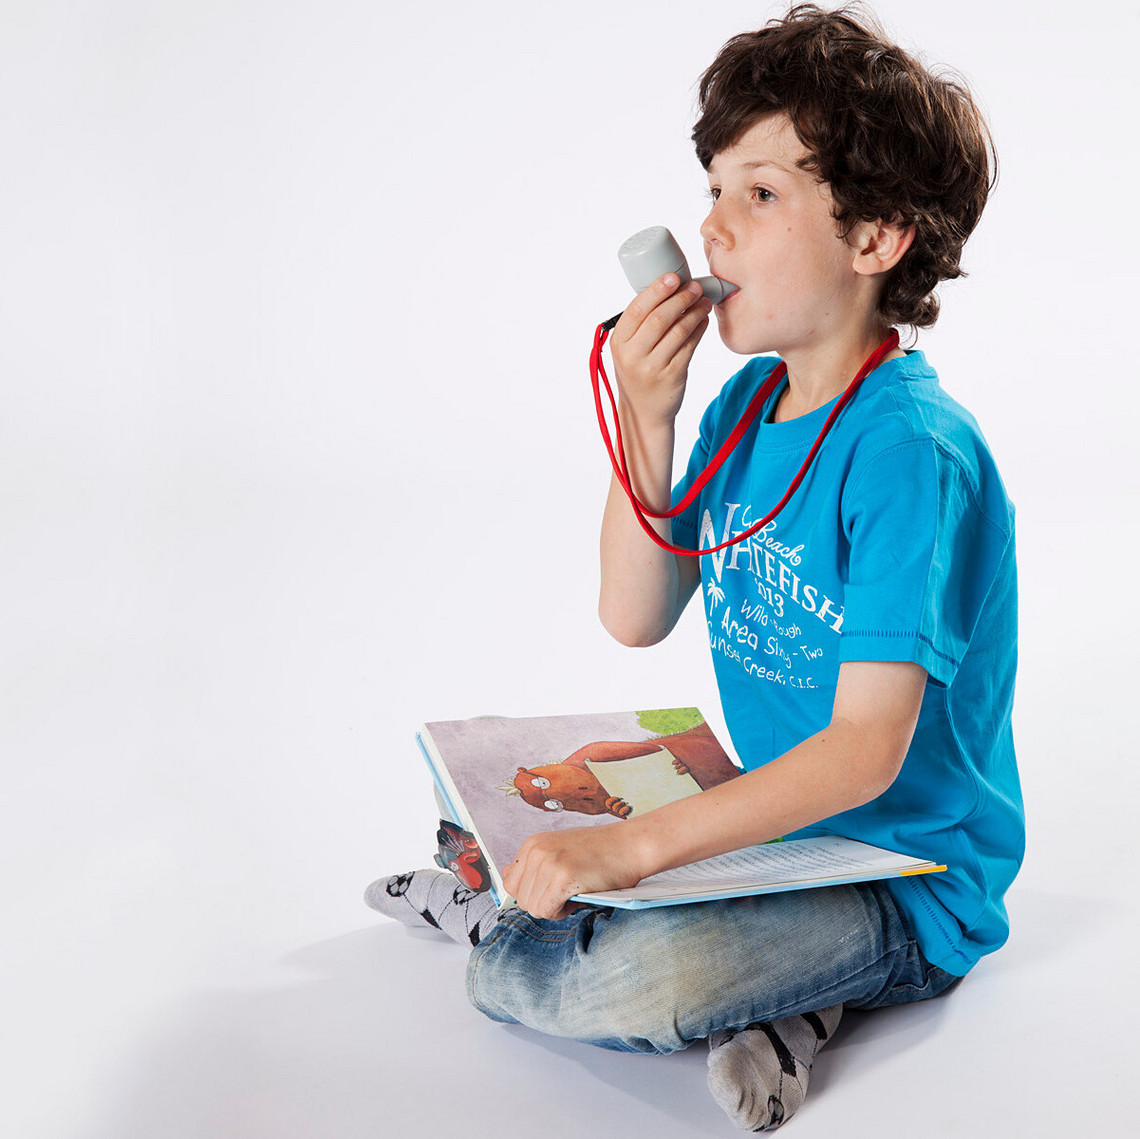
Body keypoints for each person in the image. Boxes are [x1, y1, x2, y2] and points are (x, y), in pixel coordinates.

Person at [367, 5, 1024, 1130]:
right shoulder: (743, 404)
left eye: (759, 194)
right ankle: (734, 979)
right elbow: (634, 613)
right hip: (769, 831)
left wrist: (627, 848)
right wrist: (650, 417)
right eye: (714, 188)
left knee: (633, 982)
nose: (711, 228)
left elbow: (866, 753)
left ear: (875, 239)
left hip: (899, 874)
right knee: (561, 816)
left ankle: (527, 922)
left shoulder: (911, 450)